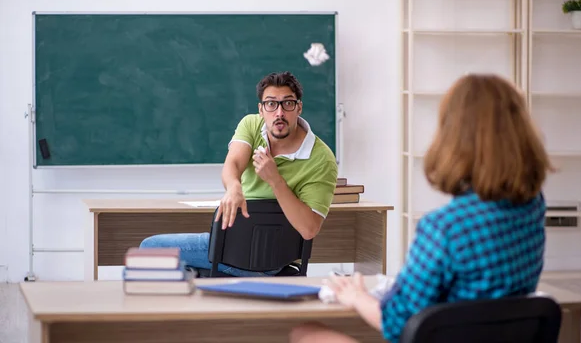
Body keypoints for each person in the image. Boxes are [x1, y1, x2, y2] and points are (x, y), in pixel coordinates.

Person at [289, 74, 553, 343]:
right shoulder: (533, 206)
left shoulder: (445, 228)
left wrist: (356, 297)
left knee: (306, 332)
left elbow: (397, 323)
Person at [140, 71, 338, 277]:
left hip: (272, 256)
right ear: (261, 110)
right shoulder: (252, 125)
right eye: (271, 104)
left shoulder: (321, 159)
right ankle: (217, 276)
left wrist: (275, 180)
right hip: (238, 244)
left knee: (150, 248)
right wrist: (234, 187)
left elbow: (309, 230)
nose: (279, 113)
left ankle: (209, 276)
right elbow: (233, 163)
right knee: (190, 264)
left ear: (299, 107)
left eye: (287, 103)